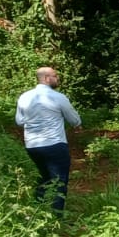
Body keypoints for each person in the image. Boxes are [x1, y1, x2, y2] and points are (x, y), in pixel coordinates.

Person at [15, 66, 81, 214]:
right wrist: (77, 124)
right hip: (54, 144)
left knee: (44, 177)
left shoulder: (24, 97)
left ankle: (36, 212)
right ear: (46, 78)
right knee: (59, 181)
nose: (57, 78)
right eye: (55, 76)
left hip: (32, 146)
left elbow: (19, 121)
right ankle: (55, 219)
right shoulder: (58, 97)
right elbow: (74, 119)